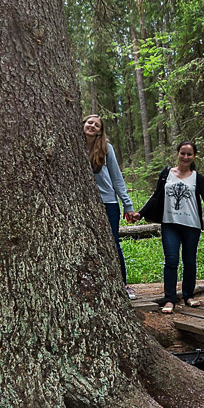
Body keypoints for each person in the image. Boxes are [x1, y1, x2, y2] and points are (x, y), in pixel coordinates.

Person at [139, 141, 204, 312]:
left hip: (192, 225)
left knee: (189, 261)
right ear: (177, 154)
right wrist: (140, 213)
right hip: (170, 223)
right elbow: (156, 196)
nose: (185, 157)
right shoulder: (166, 174)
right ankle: (170, 299)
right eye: (182, 153)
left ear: (194, 157)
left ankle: (188, 296)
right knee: (171, 261)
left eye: (189, 154)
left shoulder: (197, 177)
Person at [83, 114, 140, 299]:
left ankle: (123, 284)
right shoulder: (74, 146)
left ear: (100, 130)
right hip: (85, 204)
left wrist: (128, 205)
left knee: (113, 243)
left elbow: (117, 178)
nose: (92, 126)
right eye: (89, 122)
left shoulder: (106, 149)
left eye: (96, 125)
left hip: (108, 203)